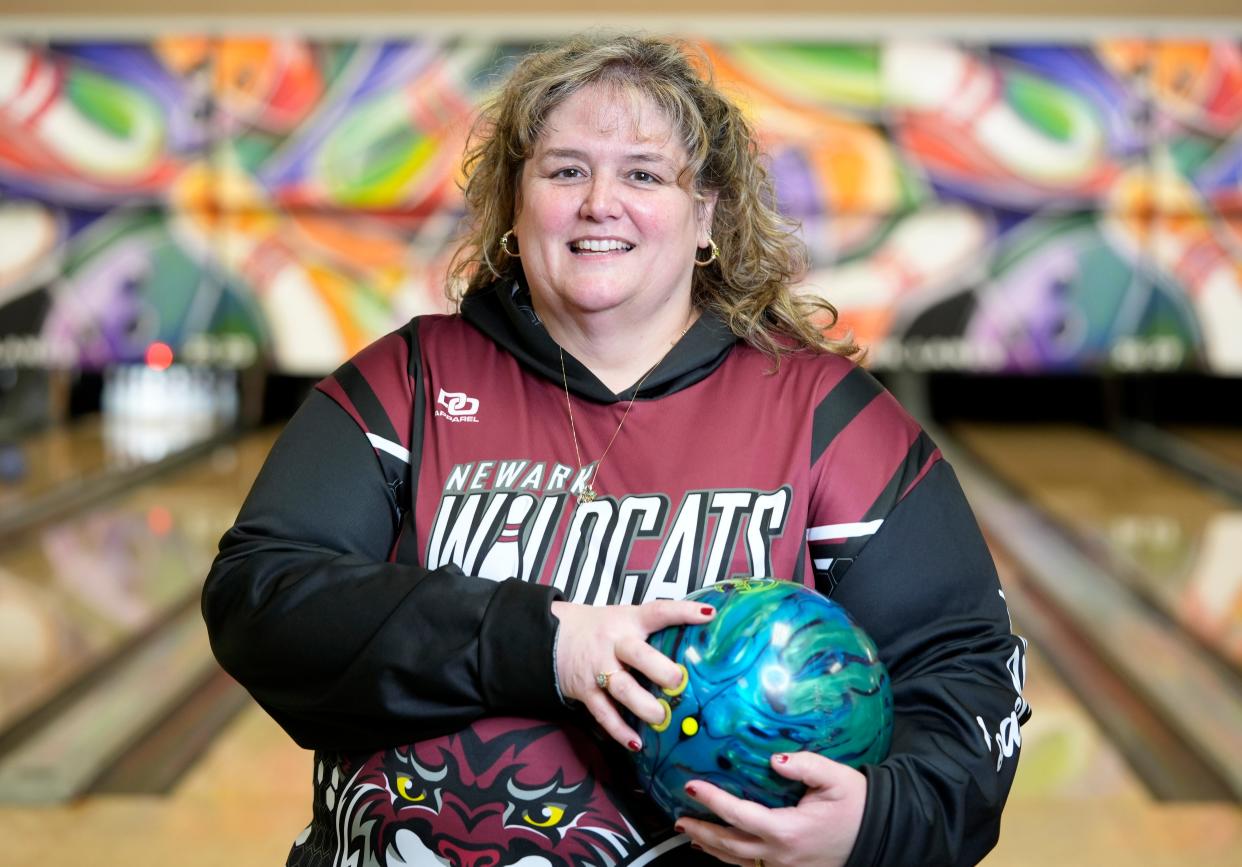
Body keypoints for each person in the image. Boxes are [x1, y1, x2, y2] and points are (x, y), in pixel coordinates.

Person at [203, 33, 1029, 867]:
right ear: (514, 206)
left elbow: (962, 670)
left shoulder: (823, 416)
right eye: (564, 170)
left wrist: (877, 822)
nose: (601, 201)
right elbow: (261, 597)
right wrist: (546, 644)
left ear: (705, 213)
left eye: (642, 172)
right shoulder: (406, 382)